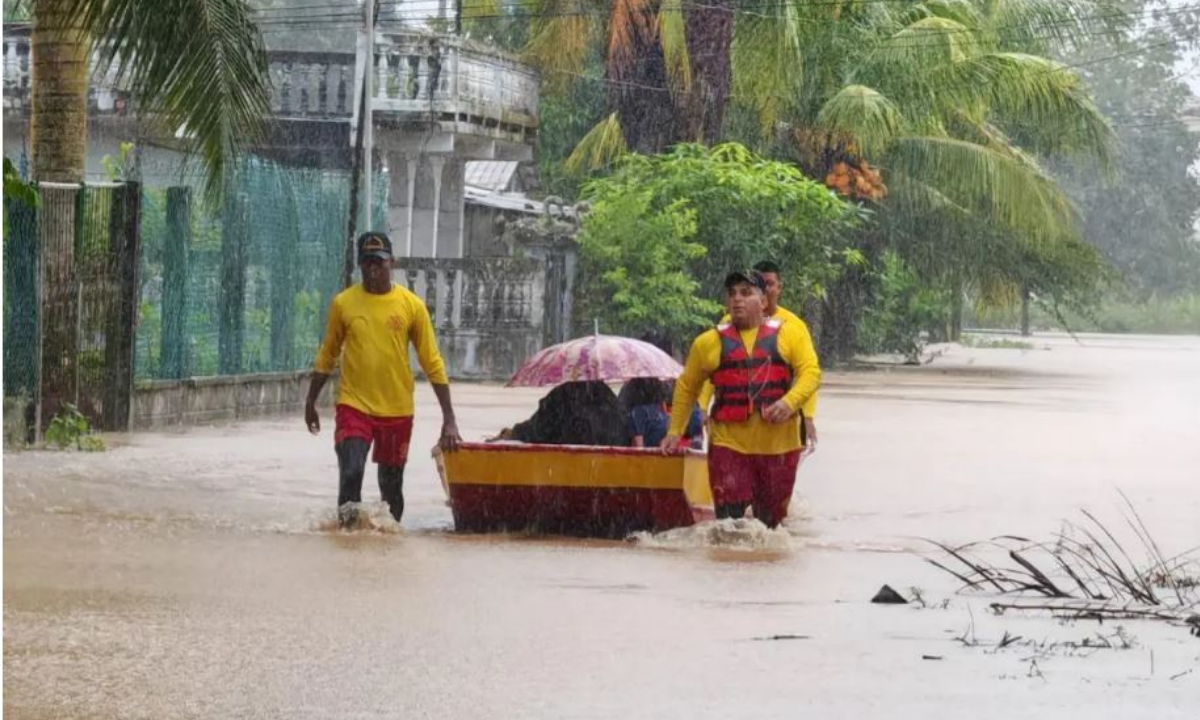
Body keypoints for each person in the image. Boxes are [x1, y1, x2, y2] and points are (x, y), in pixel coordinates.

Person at [305, 231, 462, 527]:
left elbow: (432, 363)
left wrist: (449, 418)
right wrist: (311, 400)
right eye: (366, 262)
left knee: (391, 490)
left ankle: (387, 547)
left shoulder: (411, 306)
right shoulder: (344, 304)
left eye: (378, 261)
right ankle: (348, 541)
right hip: (354, 406)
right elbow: (328, 354)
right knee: (351, 472)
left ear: (392, 262)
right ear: (359, 265)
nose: (372, 268)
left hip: (397, 410)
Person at [663, 269, 820, 528]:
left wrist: (789, 402)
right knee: (729, 525)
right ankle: (727, 567)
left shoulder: (790, 334)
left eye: (746, 293)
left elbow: (811, 373)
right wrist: (674, 430)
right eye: (732, 294)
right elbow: (687, 387)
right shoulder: (708, 343)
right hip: (729, 445)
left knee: (771, 527)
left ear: (763, 301)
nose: (737, 299)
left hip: (779, 447)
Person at [698, 260, 820, 453]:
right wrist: (702, 406)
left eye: (770, 284)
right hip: (733, 434)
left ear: (779, 288)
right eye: (760, 284)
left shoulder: (794, 326)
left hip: (779, 426)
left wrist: (808, 416)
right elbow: (713, 371)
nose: (766, 289)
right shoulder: (728, 324)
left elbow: (809, 374)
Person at [497, 381, 628, 447]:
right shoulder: (608, 399)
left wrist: (515, 432)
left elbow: (538, 429)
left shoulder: (562, 394)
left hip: (564, 467)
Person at [625, 379, 703, 449]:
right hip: (669, 449)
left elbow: (639, 449)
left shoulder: (638, 412)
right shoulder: (654, 411)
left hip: (657, 452)